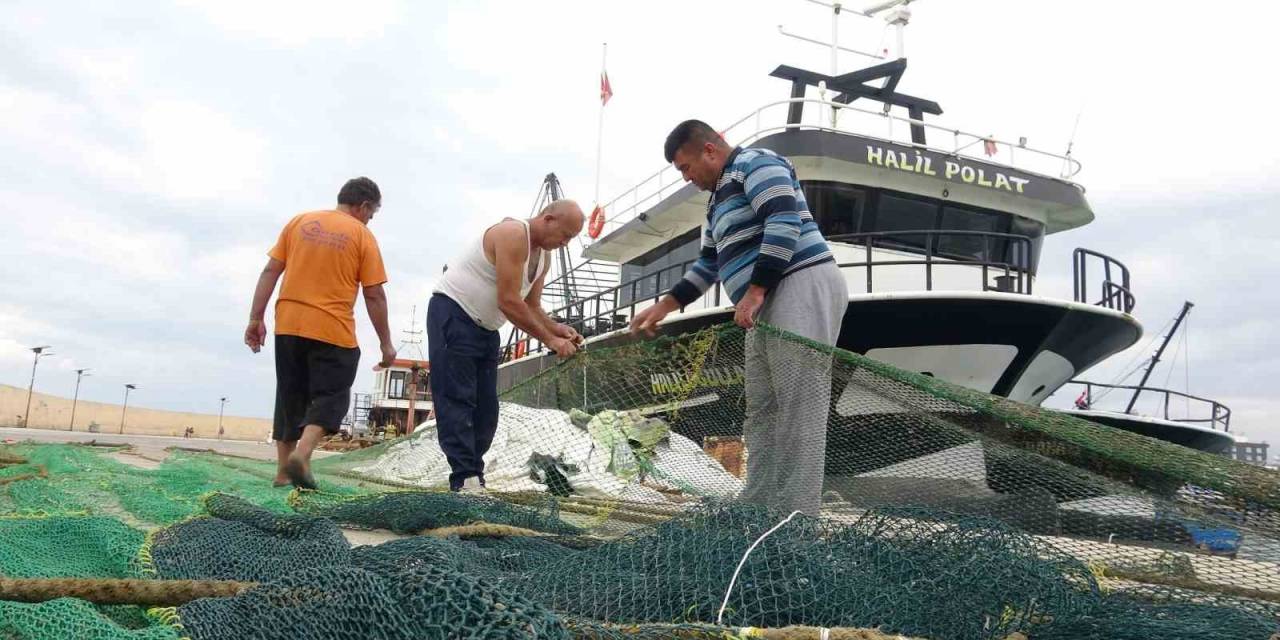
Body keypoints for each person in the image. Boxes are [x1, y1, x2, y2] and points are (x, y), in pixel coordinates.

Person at [630, 120, 848, 516]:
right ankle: (758, 505)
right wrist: (664, 306)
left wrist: (756, 289)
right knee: (762, 409)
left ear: (710, 150)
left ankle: (797, 519)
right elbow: (708, 264)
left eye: (686, 167)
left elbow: (783, 220)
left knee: (799, 405)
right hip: (762, 301)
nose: (687, 177)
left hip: (796, 282)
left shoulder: (756, 163)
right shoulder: (715, 204)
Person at [244, 177, 397, 489]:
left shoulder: (299, 223)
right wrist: (385, 343)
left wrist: (255, 318)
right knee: (333, 395)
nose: (370, 220)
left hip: (288, 323)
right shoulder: (362, 236)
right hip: (332, 328)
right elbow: (374, 295)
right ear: (364, 206)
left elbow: (270, 271)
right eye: (371, 214)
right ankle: (301, 454)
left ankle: (282, 472)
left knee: (289, 396)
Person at [429, 200, 585, 492]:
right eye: (565, 235)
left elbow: (532, 306)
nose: (564, 244)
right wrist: (550, 341)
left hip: (487, 328)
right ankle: (464, 478)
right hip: (453, 312)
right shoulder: (513, 234)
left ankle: (474, 474)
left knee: (487, 409)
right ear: (548, 218)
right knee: (458, 399)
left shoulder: (544, 258)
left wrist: (558, 329)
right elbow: (509, 301)